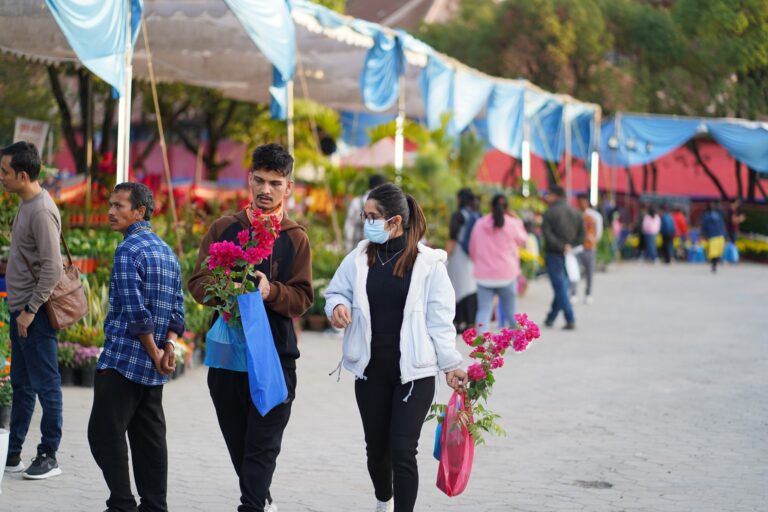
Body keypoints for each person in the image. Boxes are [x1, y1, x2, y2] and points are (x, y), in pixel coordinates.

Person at [324, 183, 467, 512]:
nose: (367, 222)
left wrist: (450, 364)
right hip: (370, 372)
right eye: (365, 216)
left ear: (396, 221)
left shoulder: (429, 264)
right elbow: (335, 292)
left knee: (403, 450)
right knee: (377, 451)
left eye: (373, 216)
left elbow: (440, 322)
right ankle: (383, 499)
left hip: (415, 374)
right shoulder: (359, 257)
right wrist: (337, 307)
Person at [189, 143, 313, 512]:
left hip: (276, 356)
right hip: (229, 356)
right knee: (239, 441)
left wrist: (270, 291)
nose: (266, 190)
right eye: (259, 181)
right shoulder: (224, 228)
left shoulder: (295, 237)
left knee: (263, 442)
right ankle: (260, 495)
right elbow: (197, 282)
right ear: (249, 179)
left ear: (288, 187)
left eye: (275, 183)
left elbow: (303, 297)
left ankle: (253, 504)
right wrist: (225, 288)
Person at [88, 182, 184, 512]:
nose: (111, 211)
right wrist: (168, 348)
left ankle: (123, 504)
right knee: (149, 438)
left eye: (119, 206)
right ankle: (154, 506)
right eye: (111, 205)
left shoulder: (128, 250)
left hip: (124, 359)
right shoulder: (167, 252)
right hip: (153, 366)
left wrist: (156, 351)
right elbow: (178, 310)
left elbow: (134, 310)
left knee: (103, 433)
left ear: (139, 212)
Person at [0, 142, 64, 479]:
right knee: (22, 385)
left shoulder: (41, 211)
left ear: (23, 175)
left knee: (47, 385)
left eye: (5, 172)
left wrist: (30, 309)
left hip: (33, 314)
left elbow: (53, 268)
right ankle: (12, 454)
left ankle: (49, 455)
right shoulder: (27, 204)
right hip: (20, 309)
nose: (1, 177)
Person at [469, 194, 528, 327]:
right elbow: (523, 240)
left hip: (484, 276)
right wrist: (517, 219)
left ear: (491, 207)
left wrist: (479, 263)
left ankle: (481, 339)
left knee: (484, 311)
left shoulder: (479, 224)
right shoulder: (512, 223)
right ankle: (517, 339)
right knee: (511, 313)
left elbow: (472, 249)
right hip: (507, 274)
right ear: (507, 208)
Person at [541, 186, 584, 330]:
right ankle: (551, 318)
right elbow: (582, 235)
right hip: (570, 254)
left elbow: (547, 234)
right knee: (562, 286)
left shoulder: (549, 212)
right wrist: (570, 246)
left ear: (555, 195)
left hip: (554, 254)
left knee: (560, 287)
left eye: (549, 194)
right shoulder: (576, 212)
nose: (547, 197)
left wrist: (561, 246)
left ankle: (570, 318)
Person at [445, 187, 478, 331]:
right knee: (471, 287)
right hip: (472, 256)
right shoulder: (476, 215)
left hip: (458, 255)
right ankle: (471, 322)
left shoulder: (458, 215)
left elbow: (453, 238)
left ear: (459, 199)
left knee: (457, 287)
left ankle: (460, 322)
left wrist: (444, 256)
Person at [344, 174, 387, 251]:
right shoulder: (386, 203)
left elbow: (349, 227)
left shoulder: (356, 202)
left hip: (357, 249)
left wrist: (349, 249)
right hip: (378, 251)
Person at [575, 194, 602, 304]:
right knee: (575, 271)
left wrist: (593, 240)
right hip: (578, 246)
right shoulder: (576, 214)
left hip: (589, 247)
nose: (581, 204)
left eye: (583, 201)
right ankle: (574, 293)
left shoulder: (594, 216)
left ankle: (588, 293)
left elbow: (598, 231)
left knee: (589, 272)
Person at [701, 202, 727, 273]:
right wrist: (725, 234)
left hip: (713, 236)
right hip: (720, 235)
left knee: (713, 252)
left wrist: (704, 234)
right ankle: (715, 264)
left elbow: (704, 226)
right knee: (717, 251)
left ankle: (714, 264)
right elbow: (722, 225)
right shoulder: (719, 215)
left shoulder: (707, 216)